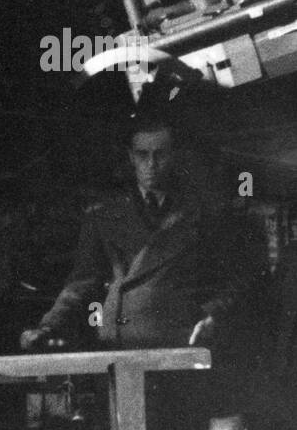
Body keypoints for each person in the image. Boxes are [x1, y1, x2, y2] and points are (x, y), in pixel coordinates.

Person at [21, 116, 262, 353]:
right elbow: (81, 282)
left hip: (181, 337)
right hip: (119, 338)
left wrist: (214, 316)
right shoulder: (103, 214)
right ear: (130, 157)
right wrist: (48, 326)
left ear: (174, 155)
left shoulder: (206, 211)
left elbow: (240, 276)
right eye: (142, 155)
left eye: (160, 154)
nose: (151, 163)